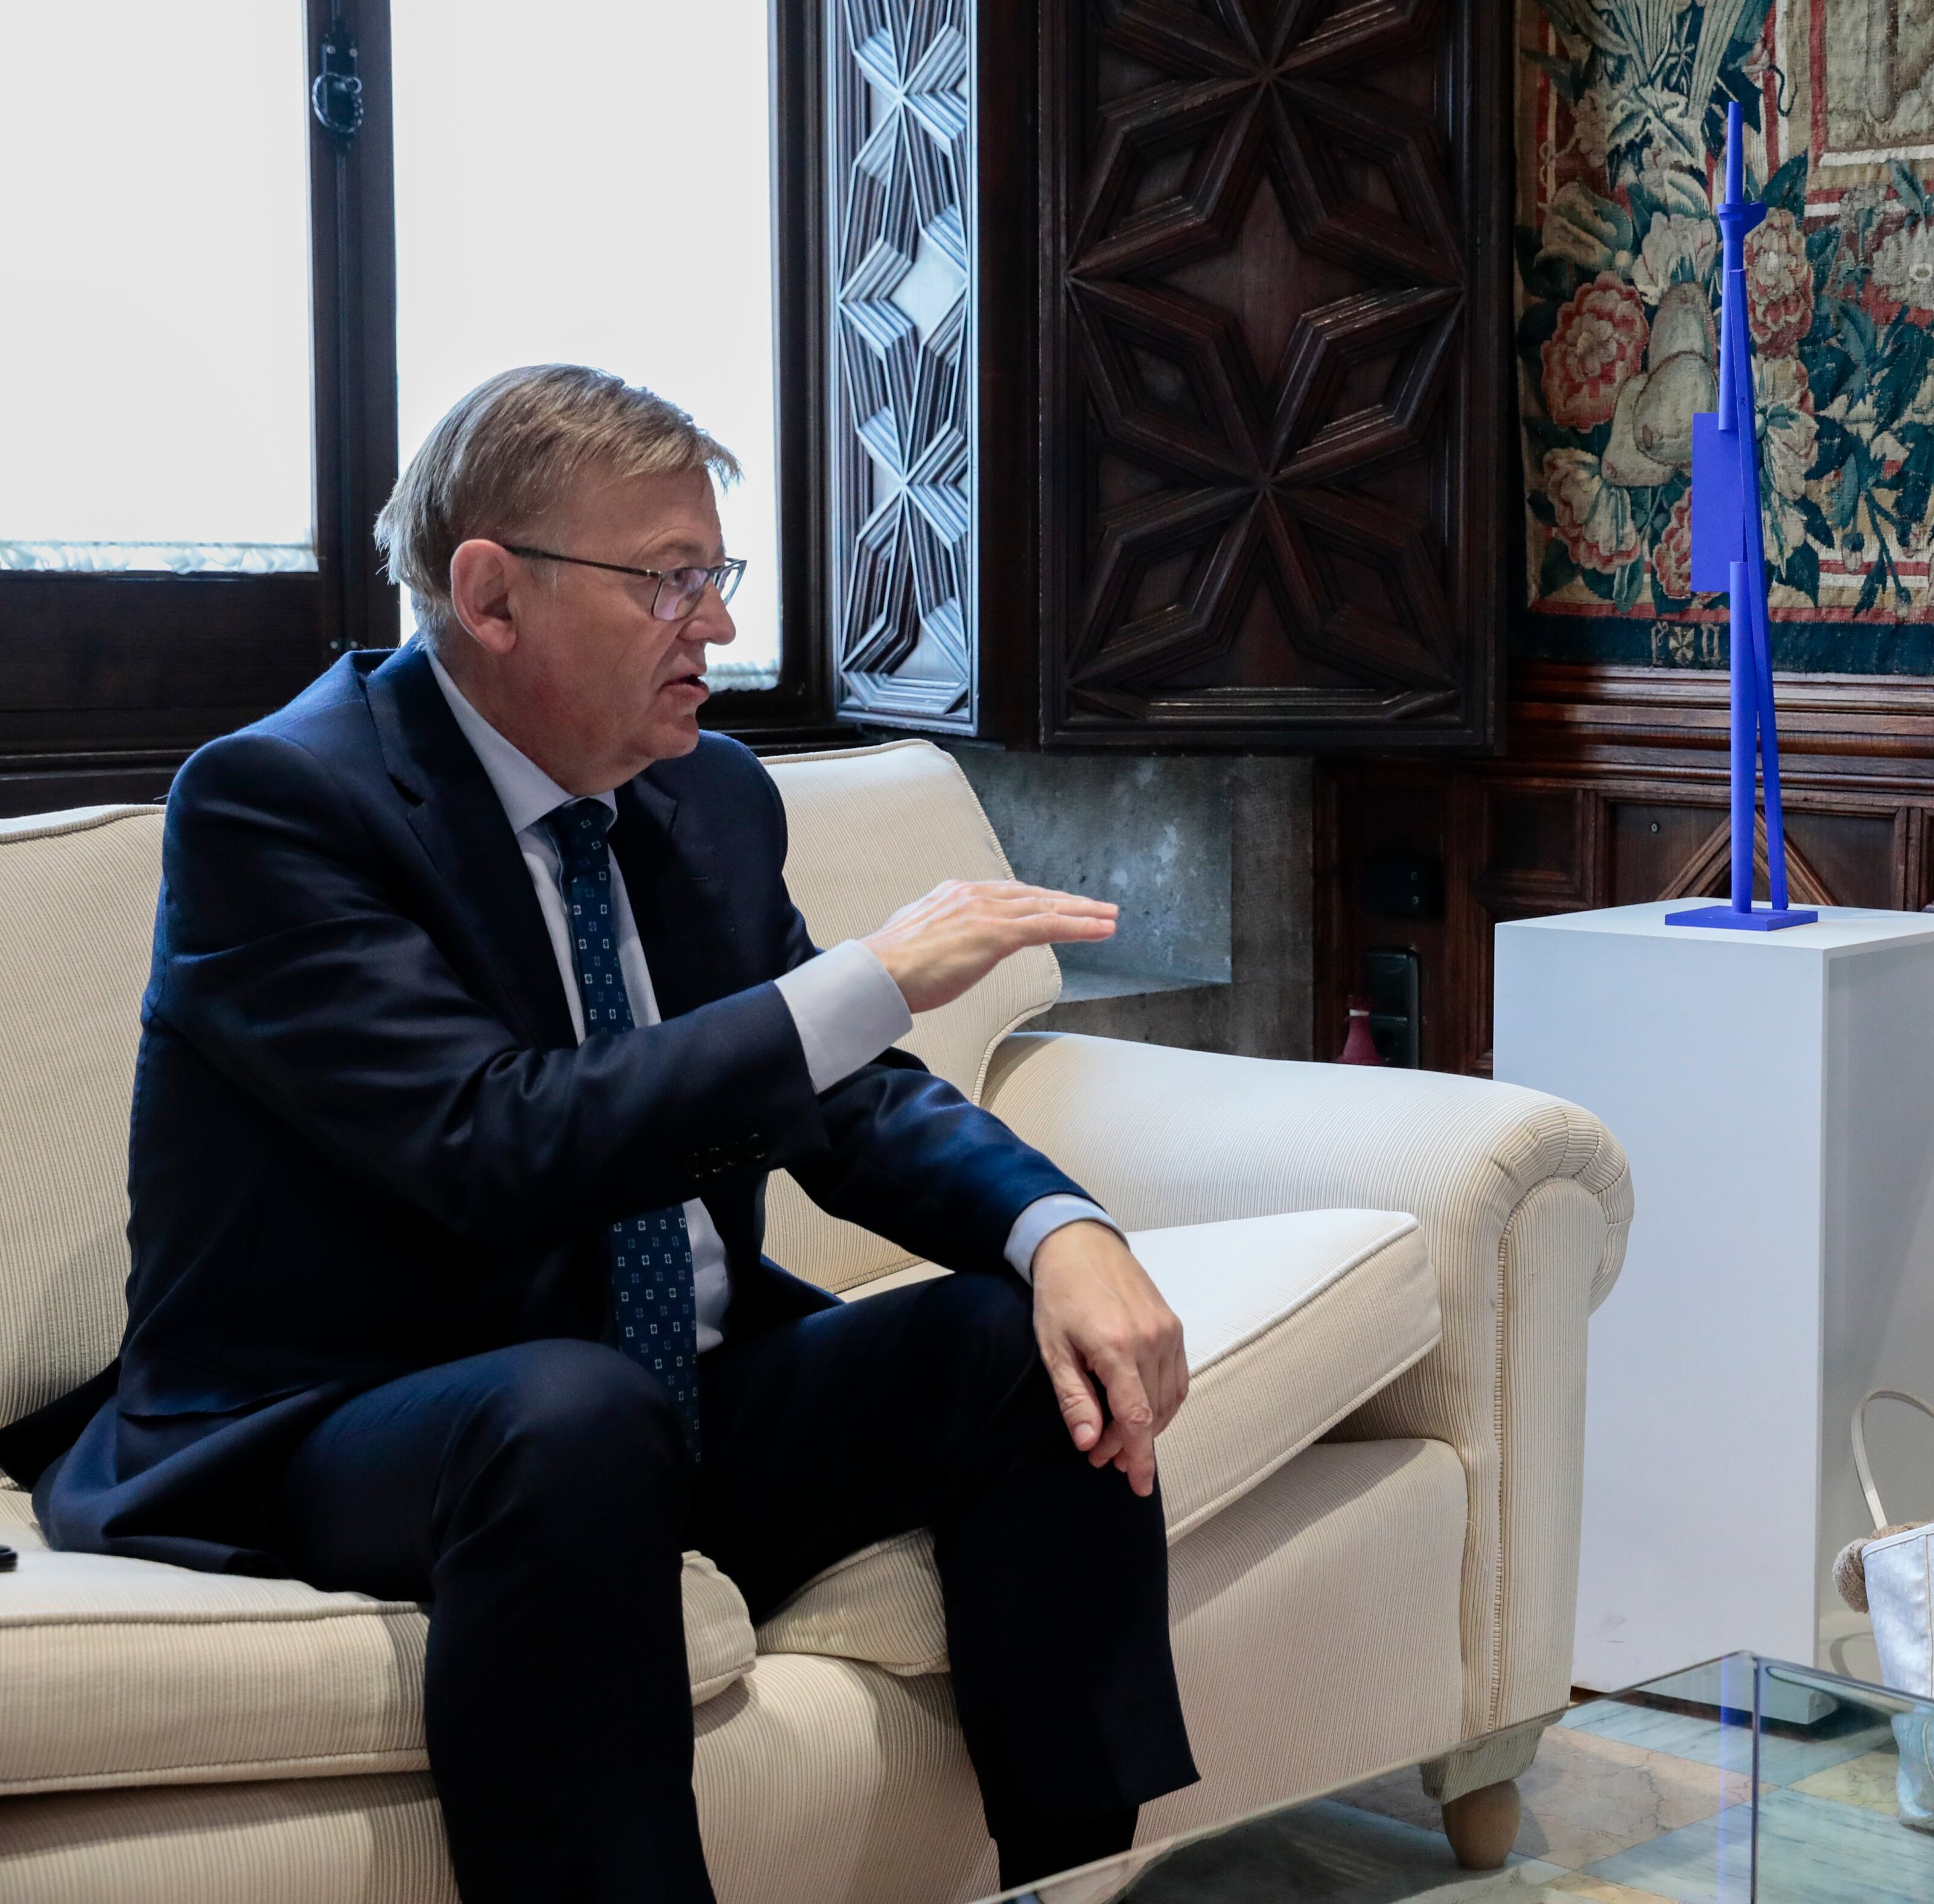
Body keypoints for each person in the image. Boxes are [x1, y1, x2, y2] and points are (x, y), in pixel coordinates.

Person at [7, 365, 1201, 1903]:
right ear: (491, 594)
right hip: (351, 1420)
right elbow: (491, 1142)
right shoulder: (280, 809)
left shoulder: (705, 797)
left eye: (719, 575)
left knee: (1018, 1348)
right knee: (569, 1416)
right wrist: (871, 974)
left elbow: (837, 1090)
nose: (711, 622)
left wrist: (1065, 1230)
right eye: (667, 580)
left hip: (662, 1403)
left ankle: (1083, 1878)